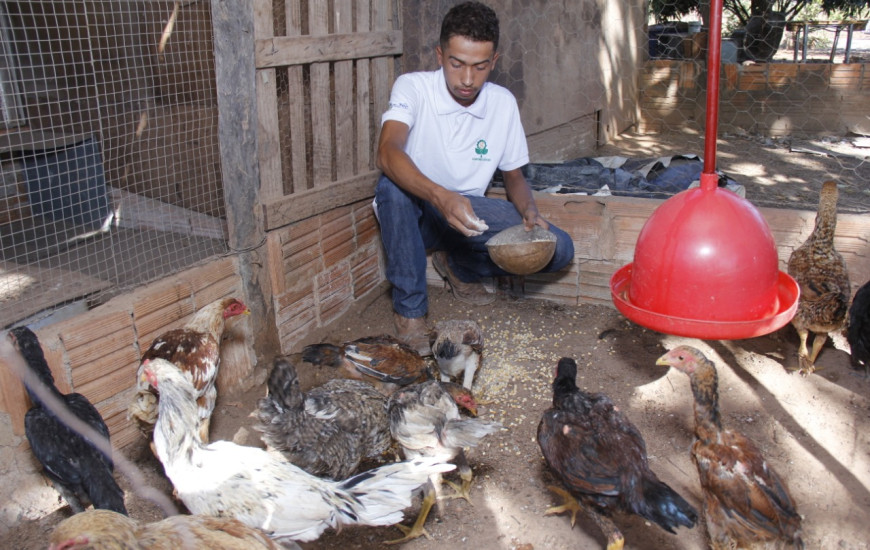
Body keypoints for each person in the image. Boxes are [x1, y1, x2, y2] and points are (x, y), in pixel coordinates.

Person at [374, 1, 574, 355]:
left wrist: (529, 210)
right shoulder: (413, 88)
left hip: (469, 215)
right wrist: (439, 196)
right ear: (440, 55)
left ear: (493, 62)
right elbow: (388, 151)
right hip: (419, 211)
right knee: (392, 189)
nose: (467, 79)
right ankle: (410, 311)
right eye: (457, 64)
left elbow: (514, 176)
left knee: (559, 248)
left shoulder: (502, 103)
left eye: (480, 66)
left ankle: (458, 266)